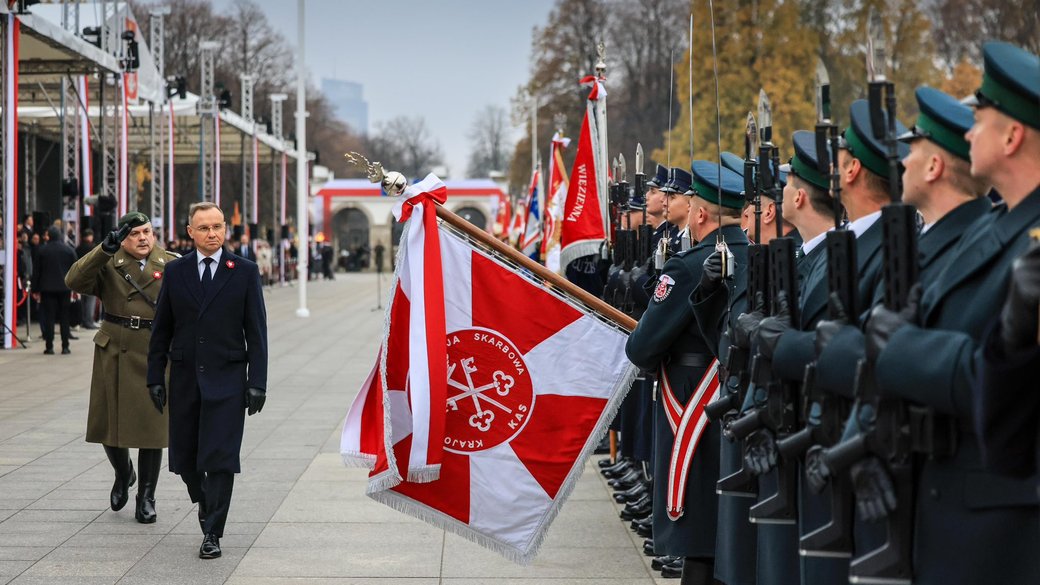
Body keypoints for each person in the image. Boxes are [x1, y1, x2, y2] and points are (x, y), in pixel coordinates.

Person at [863, 42, 1039, 585]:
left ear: (1011, 137)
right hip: (950, 507)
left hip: (1002, 527)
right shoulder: (994, 228)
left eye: (979, 120)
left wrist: (901, 347)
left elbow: (992, 376)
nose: (967, 133)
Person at [626, 160, 748, 584]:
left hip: (692, 402)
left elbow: (641, 348)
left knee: (696, 537)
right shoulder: (756, 257)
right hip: (732, 402)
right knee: (728, 531)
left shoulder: (687, 266)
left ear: (699, 214)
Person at [146, 202, 268, 560]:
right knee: (186, 460)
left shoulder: (243, 271)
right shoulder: (176, 271)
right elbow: (162, 329)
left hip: (228, 379)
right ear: (190, 232)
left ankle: (213, 531)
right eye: (204, 228)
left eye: (217, 226)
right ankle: (204, 501)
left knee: (220, 457)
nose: (212, 233)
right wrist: (155, 376)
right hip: (184, 377)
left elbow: (256, 332)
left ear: (225, 229)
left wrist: (257, 381)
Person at [65, 212, 177, 523]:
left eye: (147, 232)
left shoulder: (171, 264)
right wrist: (103, 250)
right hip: (115, 347)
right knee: (107, 422)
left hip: (154, 350)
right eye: (135, 234)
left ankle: (147, 495)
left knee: (152, 428)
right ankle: (123, 472)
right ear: (122, 238)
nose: (143, 238)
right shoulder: (108, 263)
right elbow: (73, 280)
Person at [32, 226, 76, 354]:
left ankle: (49, 346)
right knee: (64, 318)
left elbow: (37, 272)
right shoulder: (69, 250)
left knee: (49, 318)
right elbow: (75, 269)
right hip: (65, 288)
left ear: (49, 236)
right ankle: (65, 346)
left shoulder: (42, 250)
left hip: (47, 289)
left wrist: (35, 289)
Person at [75, 230, 100, 329]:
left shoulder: (78, 248)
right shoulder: (93, 247)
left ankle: (83, 320)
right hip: (91, 277)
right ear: (90, 236)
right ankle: (89, 321)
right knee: (90, 300)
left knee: (83, 300)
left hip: (80, 276)